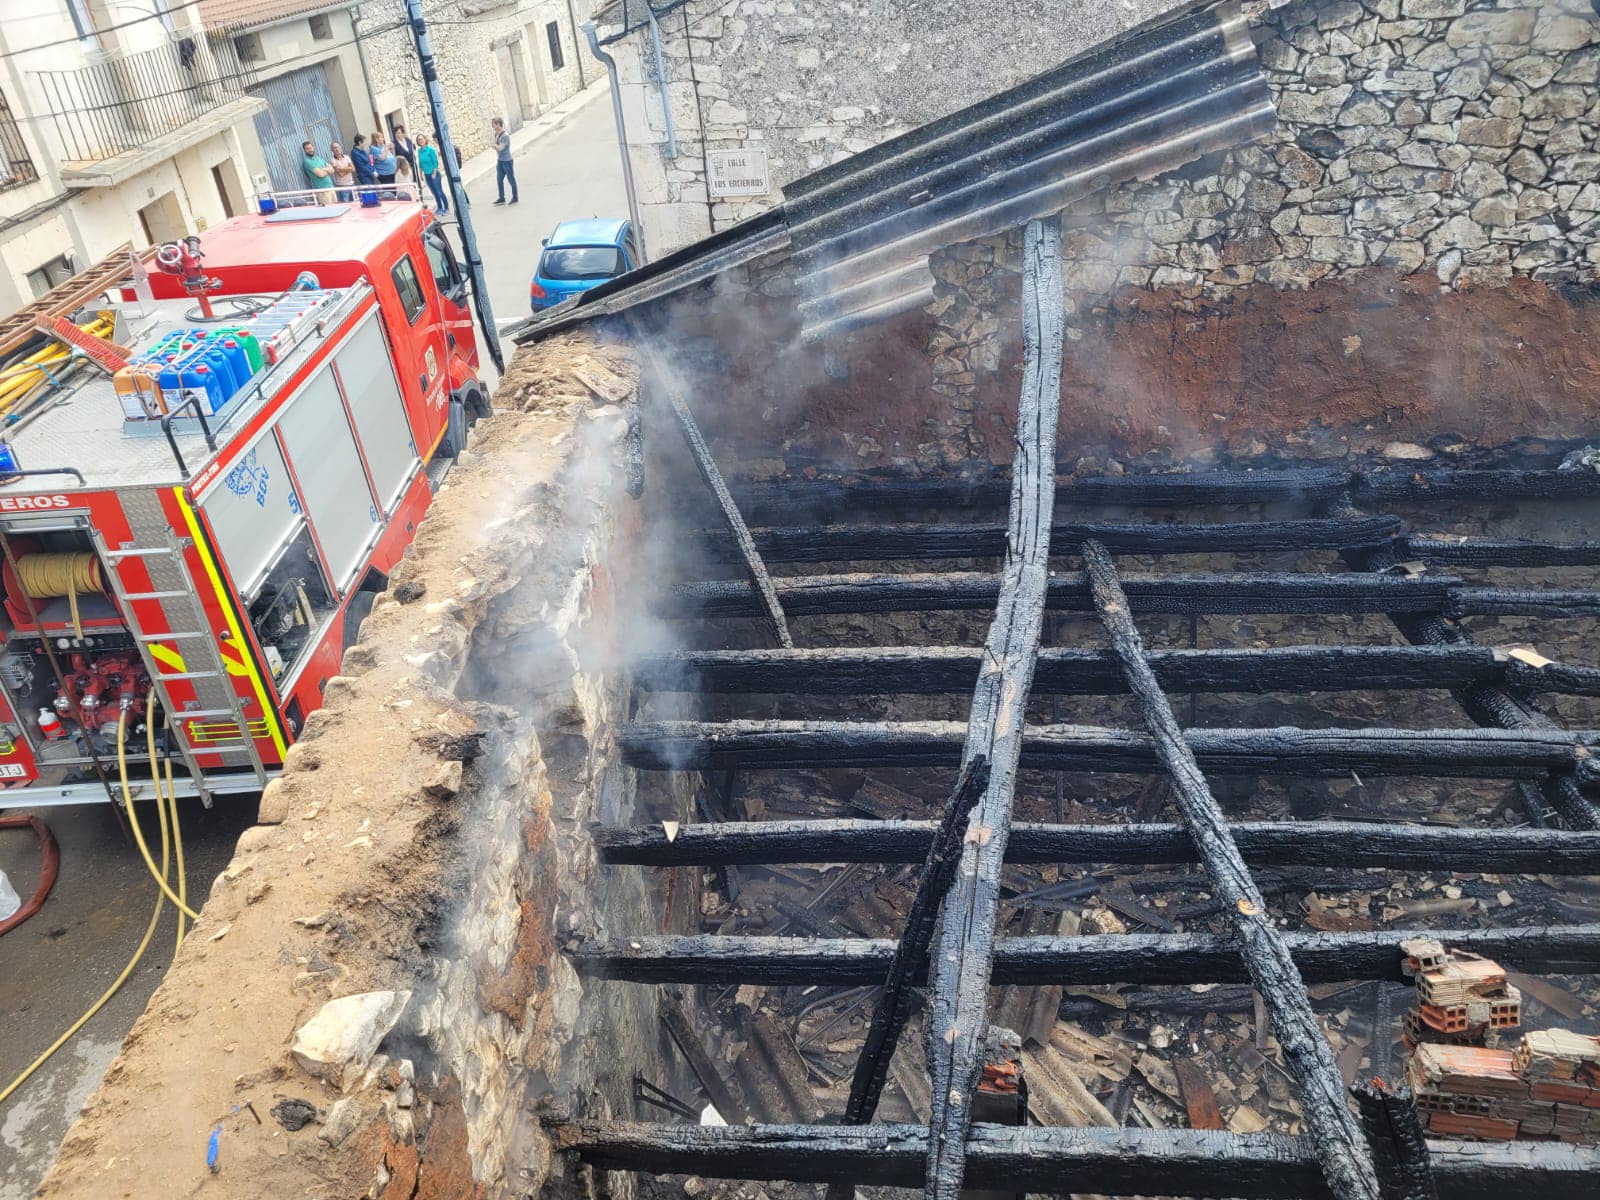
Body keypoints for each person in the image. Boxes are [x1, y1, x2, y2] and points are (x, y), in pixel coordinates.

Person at [417, 133, 448, 213]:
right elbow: (420, 163)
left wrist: (434, 173)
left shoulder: (430, 150)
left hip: (434, 174)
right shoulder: (419, 151)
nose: (420, 140)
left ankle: (446, 208)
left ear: (425, 139)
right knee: (434, 193)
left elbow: (435, 163)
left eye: (421, 139)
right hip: (427, 175)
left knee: (439, 192)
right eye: (419, 139)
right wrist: (420, 174)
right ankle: (440, 208)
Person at [491, 117, 517, 205]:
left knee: (511, 179)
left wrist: (495, 146)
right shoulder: (496, 134)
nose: (493, 126)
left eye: (494, 124)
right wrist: (496, 147)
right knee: (499, 179)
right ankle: (501, 198)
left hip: (507, 161)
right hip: (500, 161)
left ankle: (515, 197)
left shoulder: (505, 136)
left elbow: (501, 148)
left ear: (498, 124)